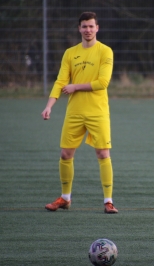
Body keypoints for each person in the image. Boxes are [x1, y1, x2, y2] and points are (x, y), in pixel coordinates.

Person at [41, 12, 118, 214]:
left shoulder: (105, 51)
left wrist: (75, 87)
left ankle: (108, 201)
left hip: (97, 112)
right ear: (79, 29)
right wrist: (49, 105)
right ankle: (65, 198)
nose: (88, 30)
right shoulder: (70, 53)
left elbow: (103, 83)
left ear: (97, 28)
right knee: (66, 153)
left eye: (91, 26)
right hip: (74, 112)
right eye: (84, 26)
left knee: (102, 153)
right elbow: (60, 81)